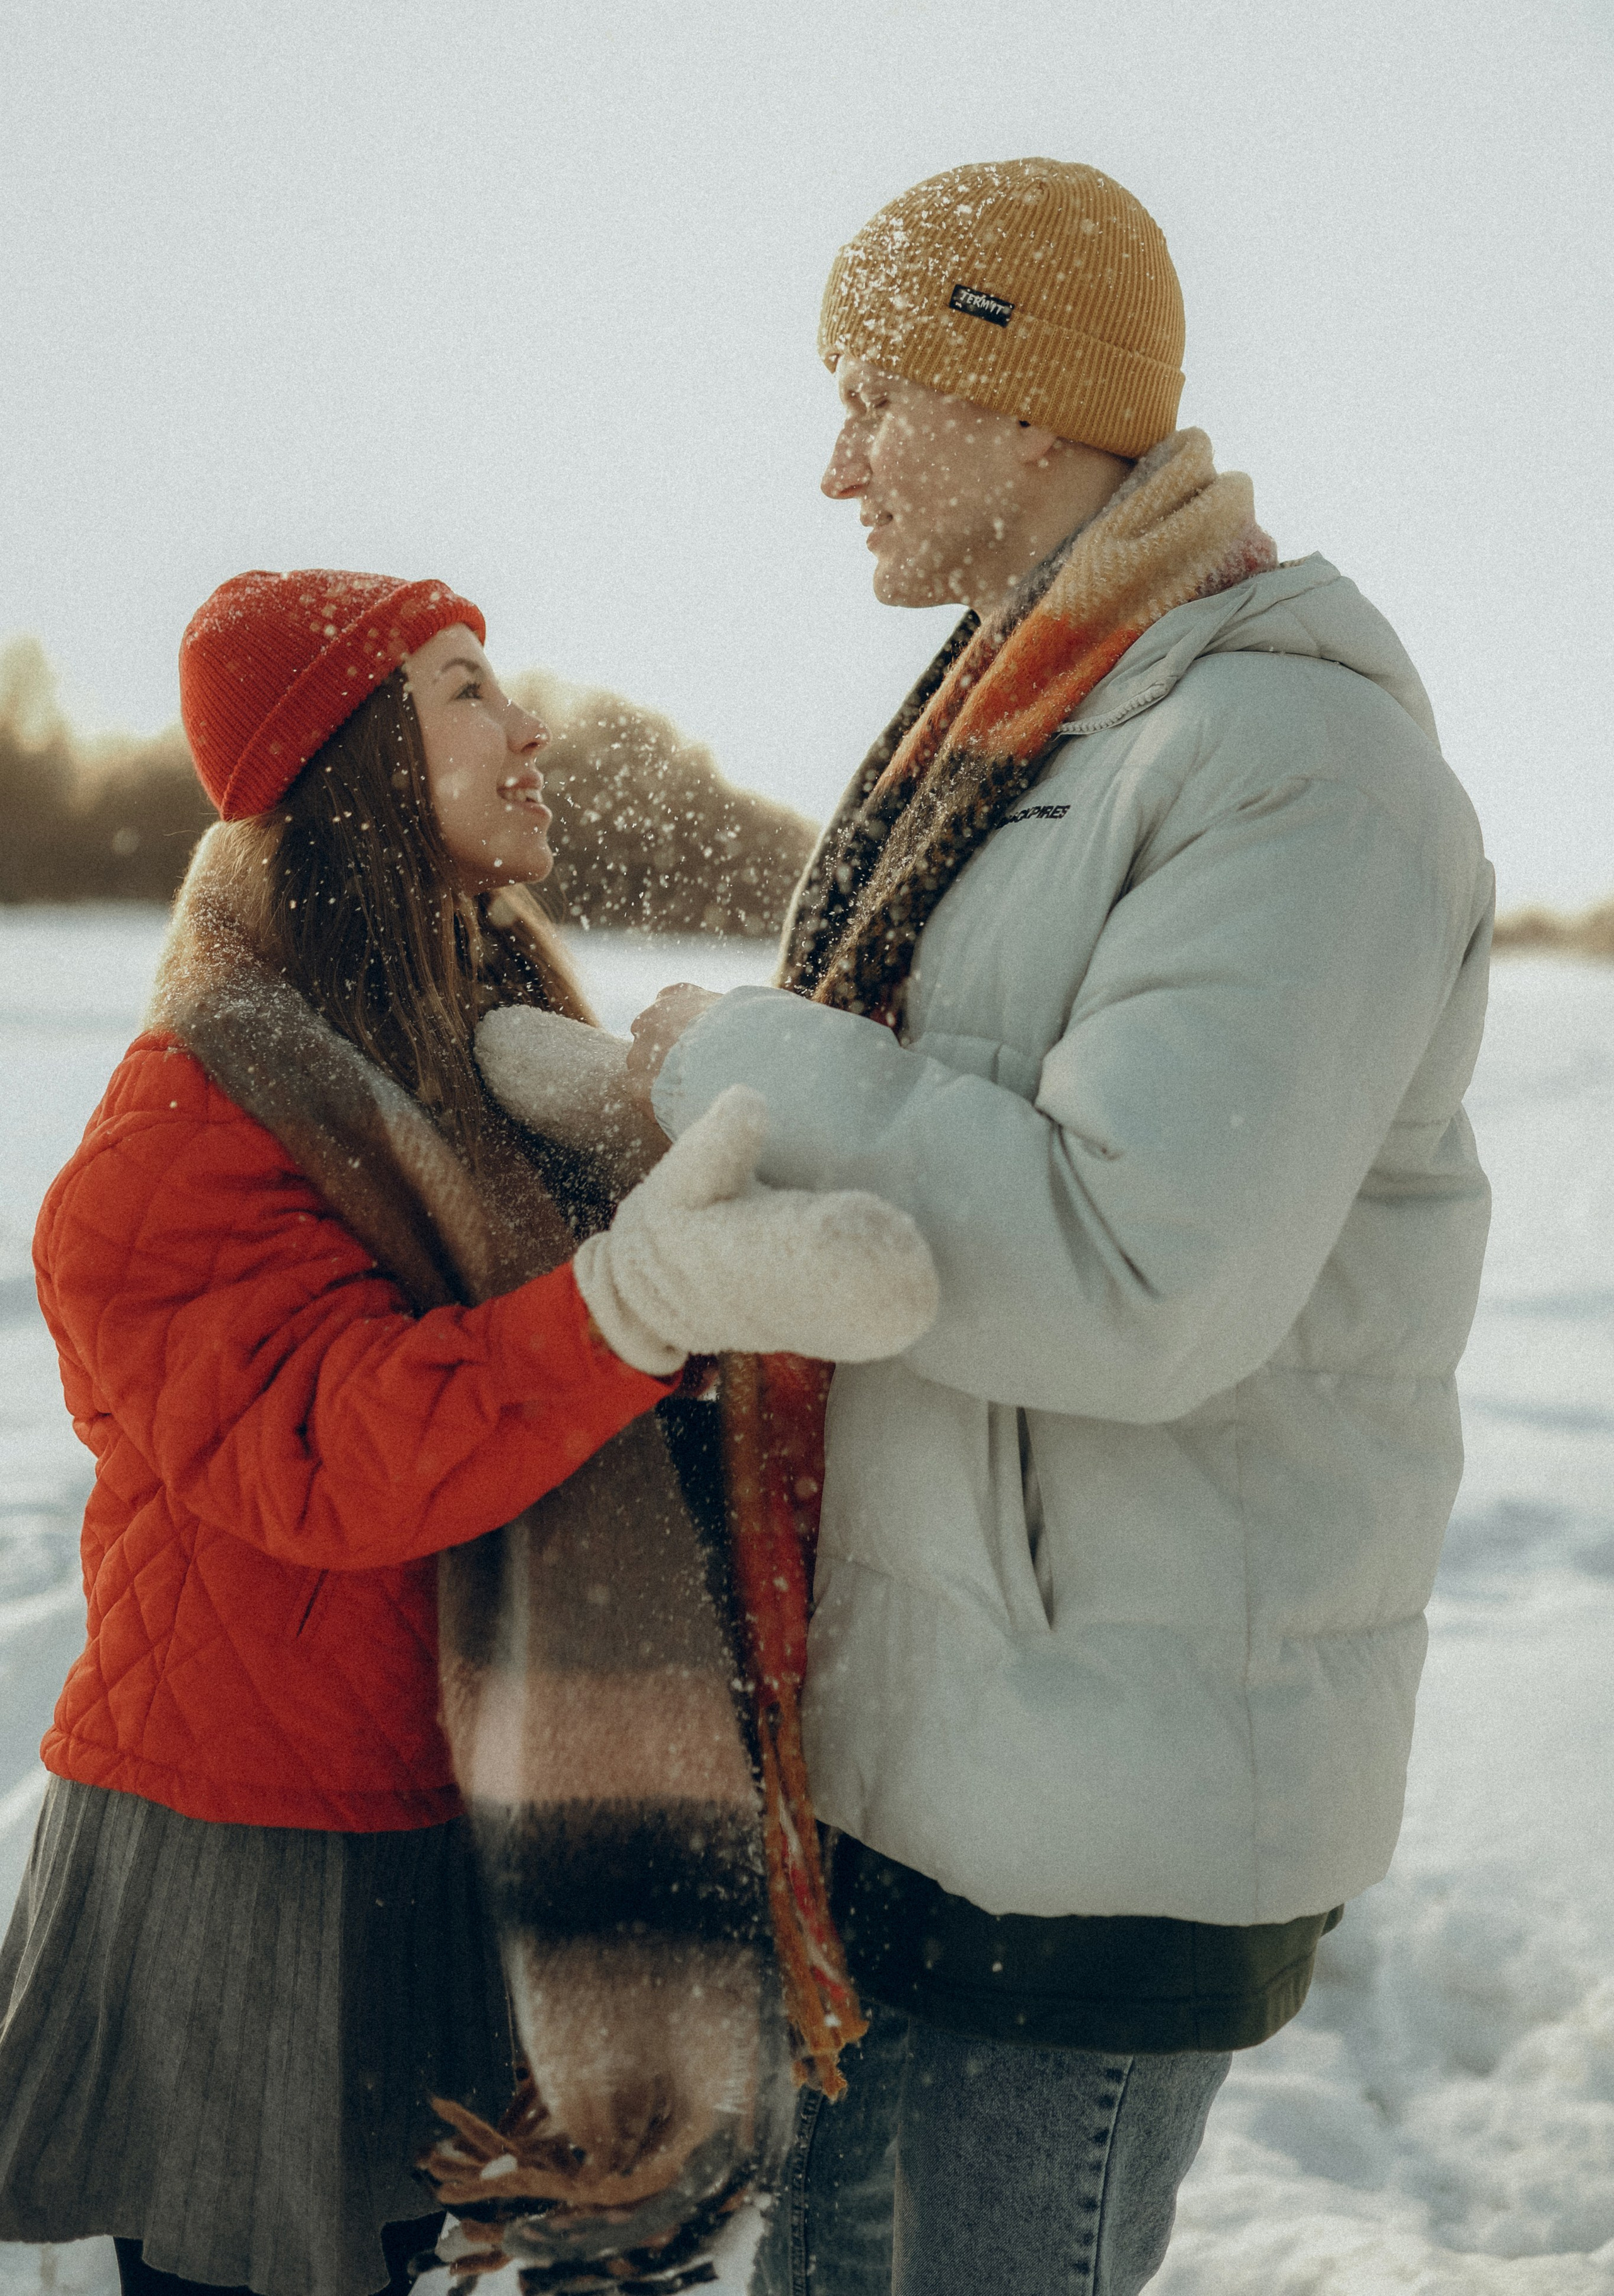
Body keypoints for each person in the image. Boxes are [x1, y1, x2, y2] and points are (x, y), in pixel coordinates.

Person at [622, 161, 1494, 2295]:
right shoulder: (1014, 735)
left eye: (874, 400)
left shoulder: (1290, 759)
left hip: (1114, 1798)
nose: (834, 468)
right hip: (905, 1754)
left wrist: (750, 1064)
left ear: (1032, 411)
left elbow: (1133, 1281)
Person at [0, 569, 937, 2296]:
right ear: (355, 757)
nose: (525, 732)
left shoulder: (478, 1062)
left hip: (452, 1815)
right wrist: (626, 1309)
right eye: (459, 691)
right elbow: (329, 1451)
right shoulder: (184, 1123)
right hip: (251, 1853)